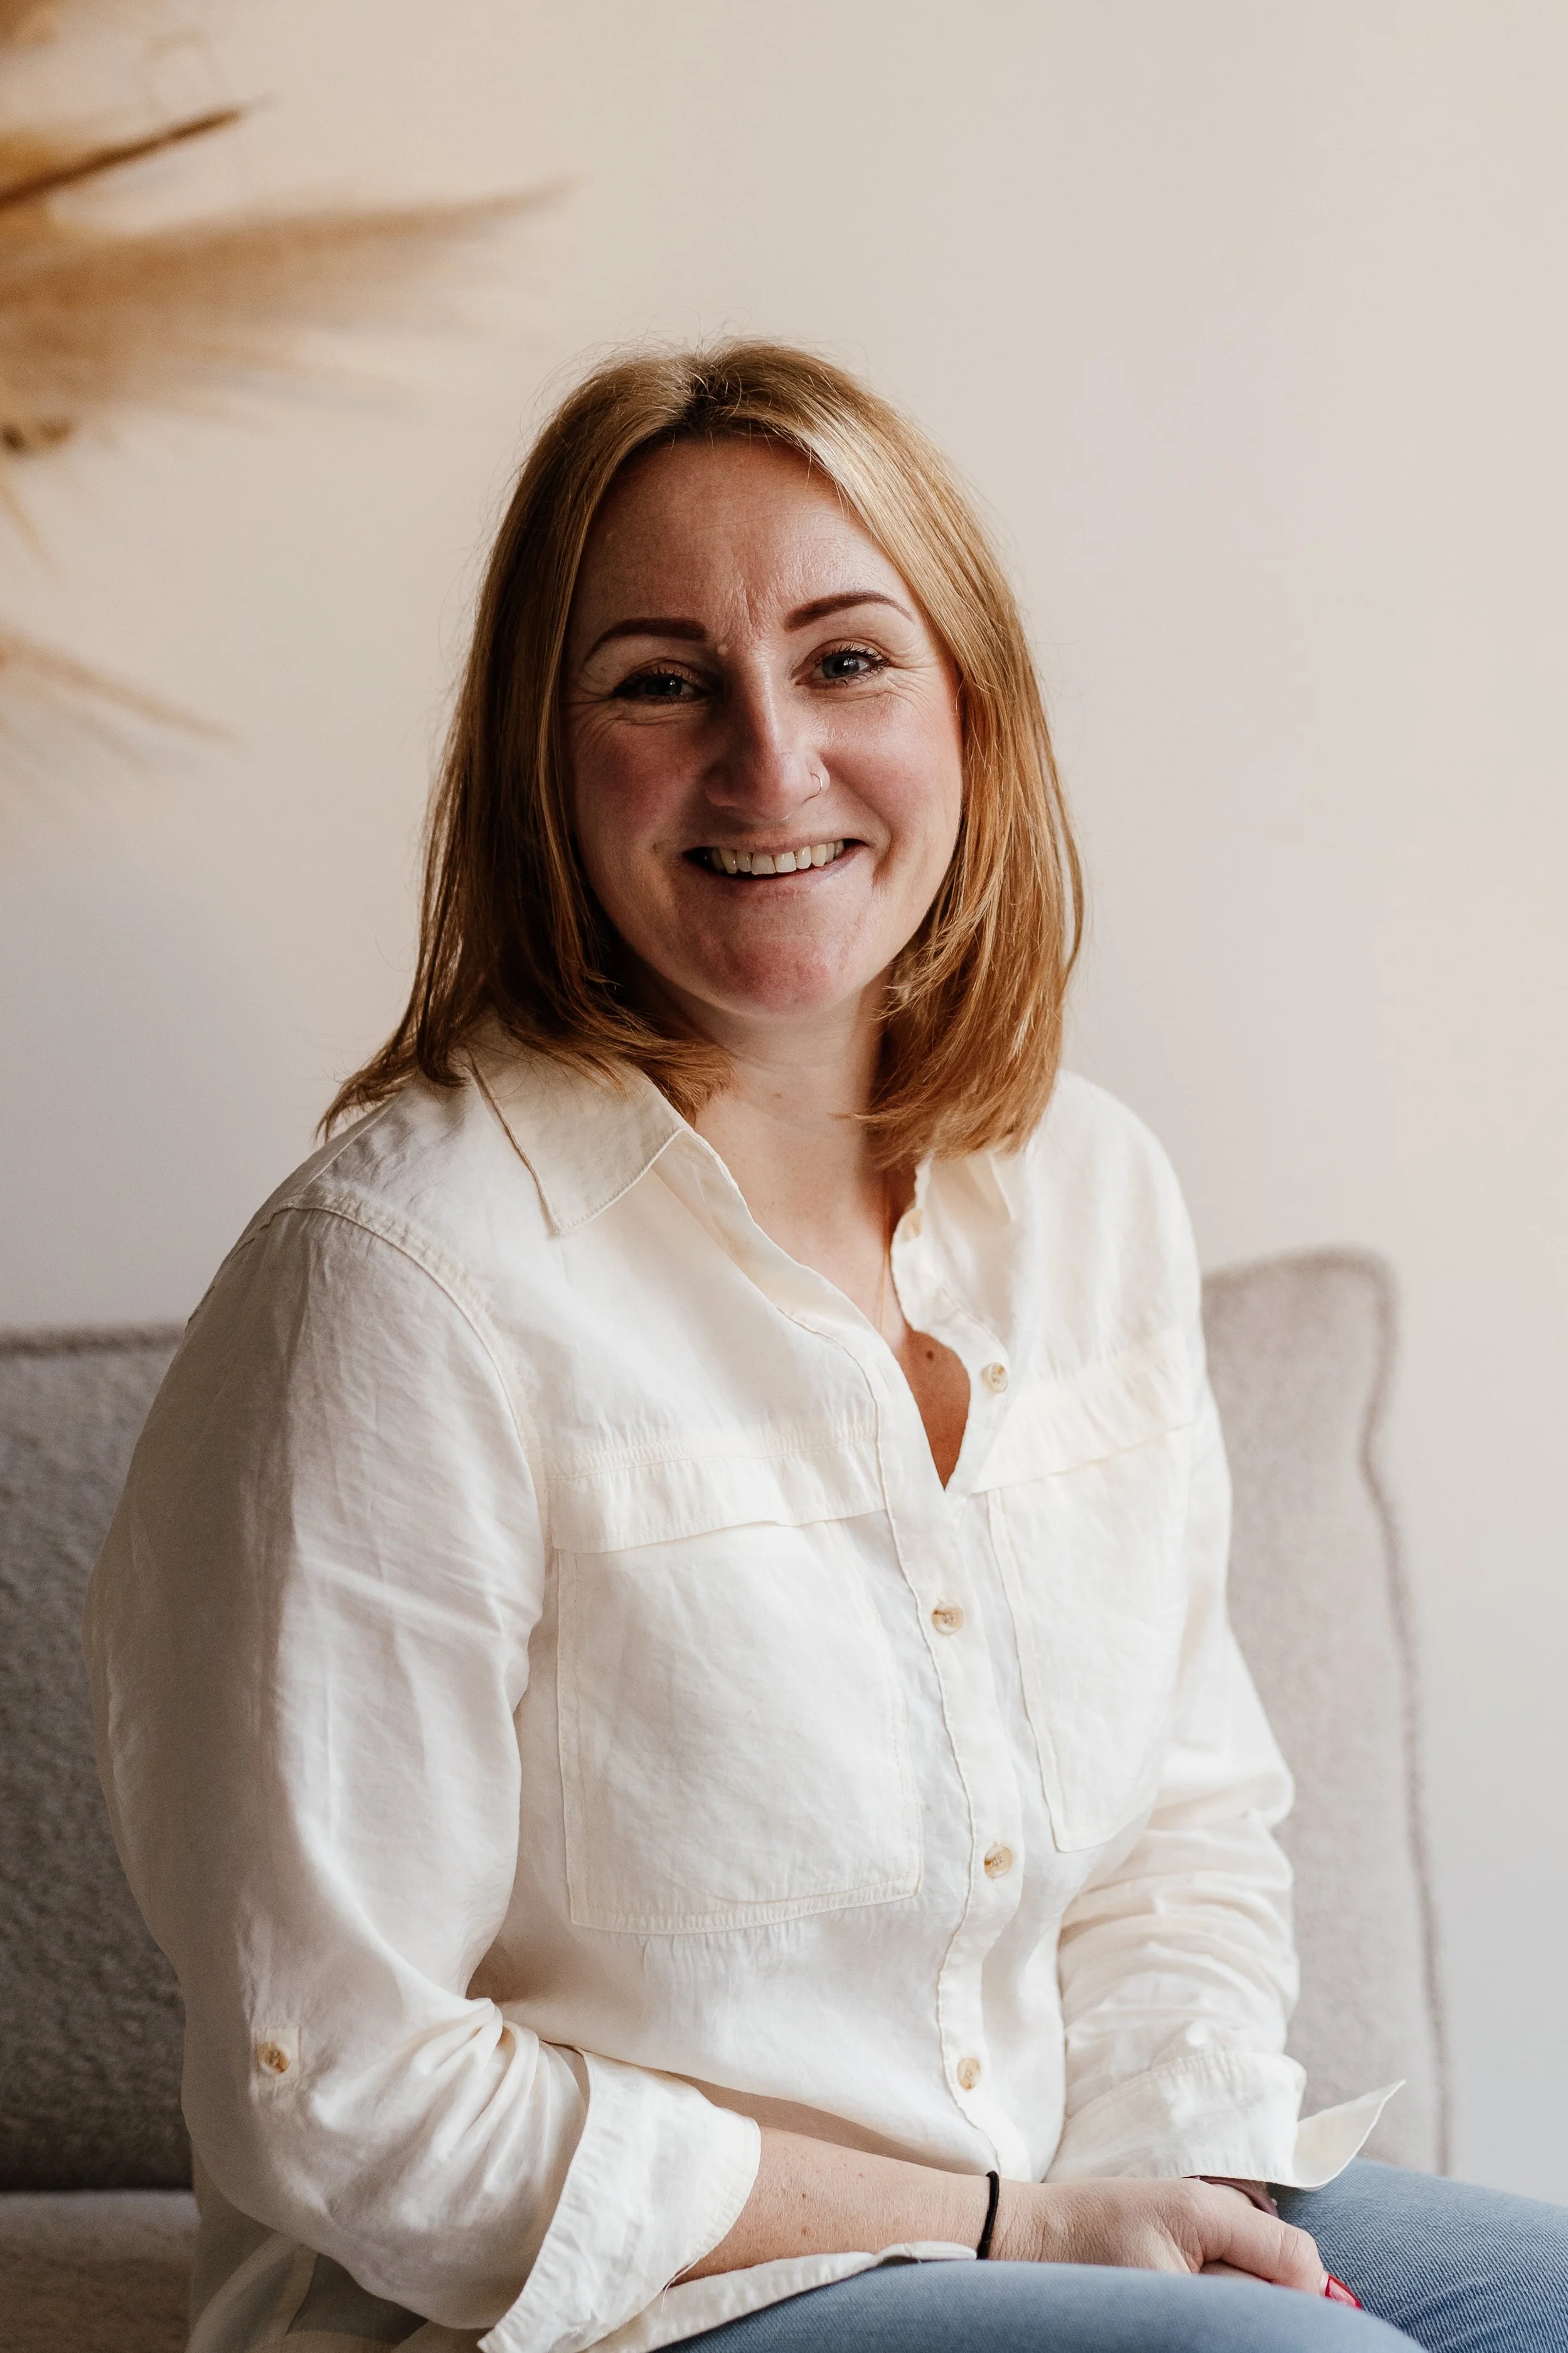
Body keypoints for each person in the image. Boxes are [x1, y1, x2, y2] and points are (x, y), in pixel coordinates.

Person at [87, 343, 1565, 2353]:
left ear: (973, 712)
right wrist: (992, 2220)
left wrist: (1163, 2189)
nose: (767, 764)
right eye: (658, 679)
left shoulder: (1090, 1189)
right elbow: (342, 2086)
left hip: (1048, 2197)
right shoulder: (401, 1278)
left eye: (845, 660)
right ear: (546, 753)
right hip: (595, 2307)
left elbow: (1175, 1834)